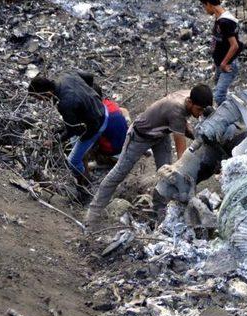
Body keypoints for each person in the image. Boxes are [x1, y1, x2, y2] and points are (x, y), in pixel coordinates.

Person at [85, 84, 213, 230]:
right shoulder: (176, 110)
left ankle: (160, 215)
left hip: (161, 135)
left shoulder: (189, 98)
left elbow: (184, 126)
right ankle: (92, 216)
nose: (201, 113)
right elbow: (182, 154)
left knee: (166, 178)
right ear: (189, 102)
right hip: (139, 136)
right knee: (119, 173)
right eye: (199, 110)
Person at [28, 72, 108, 198]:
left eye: (40, 98)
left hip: (97, 123)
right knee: (76, 145)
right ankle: (85, 164)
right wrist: (89, 97)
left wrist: (54, 142)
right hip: (100, 108)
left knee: (72, 161)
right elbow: (89, 77)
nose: (41, 102)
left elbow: (73, 131)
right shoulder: (65, 76)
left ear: (47, 93)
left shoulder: (65, 103)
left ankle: (85, 187)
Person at [200, 0, 241, 105]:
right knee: (219, 93)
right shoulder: (220, 19)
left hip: (227, 64)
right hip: (221, 63)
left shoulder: (225, 22)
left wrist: (223, 63)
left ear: (208, 3)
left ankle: (237, 115)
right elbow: (220, 42)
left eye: (204, 6)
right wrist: (217, 62)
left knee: (219, 97)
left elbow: (234, 45)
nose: (205, 9)